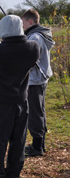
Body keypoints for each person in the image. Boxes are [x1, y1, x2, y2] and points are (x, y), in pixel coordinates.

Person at [0, 15, 39, 178]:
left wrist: (2, 43)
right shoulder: (33, 47)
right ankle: (13, 174)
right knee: (18, 141)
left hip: (0, 103)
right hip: (22, 102)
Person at [21, 9, 55, 157]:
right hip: (40, 78)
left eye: (23, 23)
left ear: (30, 22)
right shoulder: (40, 34)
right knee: (39, 111)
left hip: (35, 80)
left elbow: (29, 59)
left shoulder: (35, 36)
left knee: (35, 113)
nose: (21, 26)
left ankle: (37, 147)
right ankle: (40, 143)